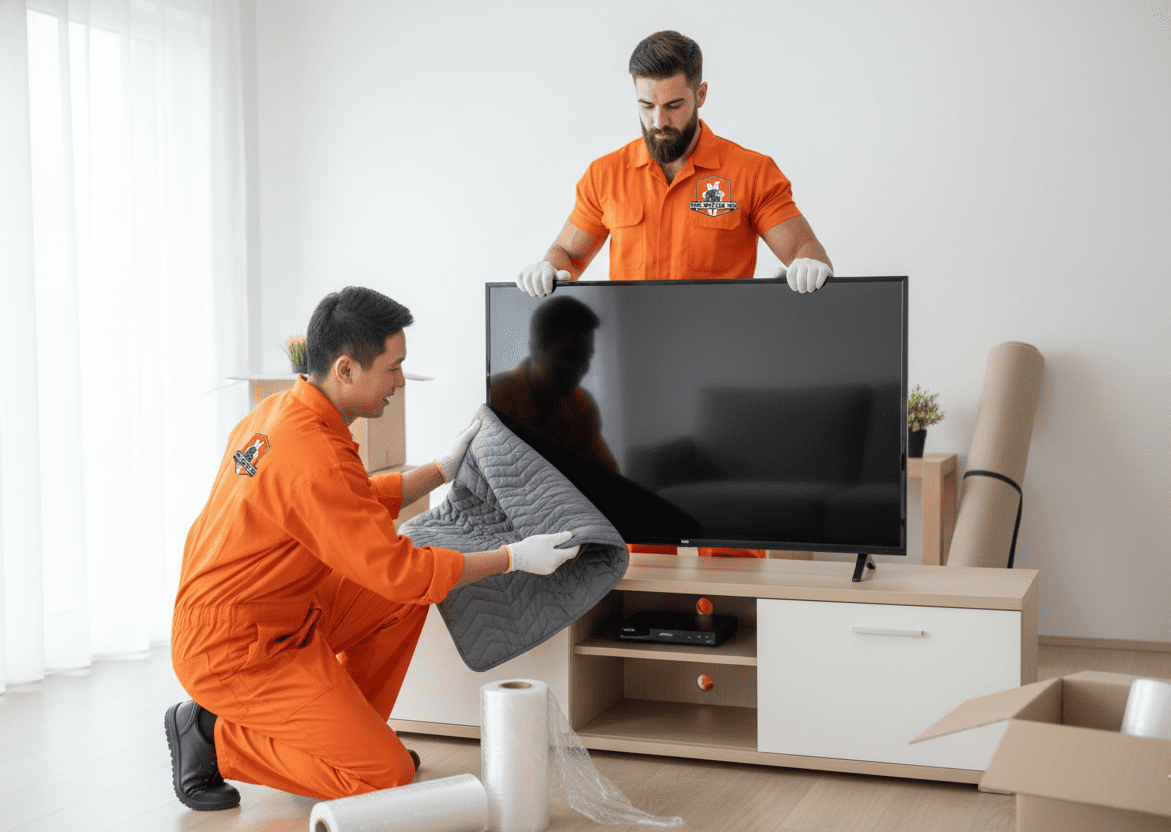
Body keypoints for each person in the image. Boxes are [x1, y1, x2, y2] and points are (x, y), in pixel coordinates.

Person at [166, 287, 580, 810]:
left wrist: (439, 469)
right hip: (234, 649)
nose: (401, 382)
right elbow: (400, 569)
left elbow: (347, 503)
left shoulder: (282, 412)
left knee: (403, 603)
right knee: (383, 779)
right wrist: (513, 558)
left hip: (281, 611)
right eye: (394, 367)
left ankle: (350, 739)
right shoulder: (311, 454)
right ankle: (209, 733)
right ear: (346, 369)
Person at [517, 30, 834, 558]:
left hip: (727, 385)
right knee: (639, 541)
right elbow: (567, 255)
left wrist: (806, 265)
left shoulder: (750, 172)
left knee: (732, 541)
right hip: (642, 392)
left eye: (673, 105)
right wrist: (546, 269)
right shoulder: (604, 176)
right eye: (646, 105)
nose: (659, 120)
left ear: (701, 95)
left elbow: (806, 247)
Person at [490, 295, 618, 471]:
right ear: (535, 349)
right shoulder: (495, 397)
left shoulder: (582, 405)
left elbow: (608, 476)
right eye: (569, 356)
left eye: (586, 357)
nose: (579, 369)